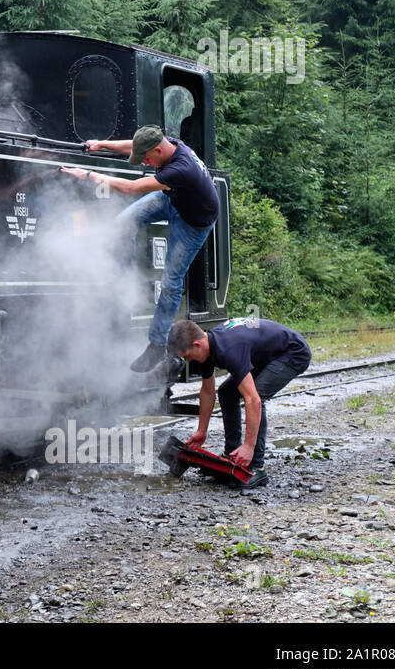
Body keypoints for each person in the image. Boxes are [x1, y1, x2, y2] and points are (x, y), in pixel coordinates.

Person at [61, 124, 219, 371]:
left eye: (146, 159)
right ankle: (120, 282)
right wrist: (102, 143)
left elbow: (131, 188)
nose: (145, 163)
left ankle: (157, 345)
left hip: (193, 223)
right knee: (124, 222)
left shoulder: (182, 169)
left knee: (170, 281)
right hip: (173, 199)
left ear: (158, 150)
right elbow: (132, 146)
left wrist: (89, 175)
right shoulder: (168, 143)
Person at [167, 317, 311, 488]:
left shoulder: (229, 349)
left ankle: (257, 466)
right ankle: (232, 455)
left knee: (258, 394)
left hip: (292, 353)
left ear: (197, 344)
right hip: (265, 355)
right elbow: (207, 392)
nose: (189, 361)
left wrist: (248, 446)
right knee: (227, 393)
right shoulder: (208, 349)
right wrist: (201, 431)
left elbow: (253, 400)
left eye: (188, 356)